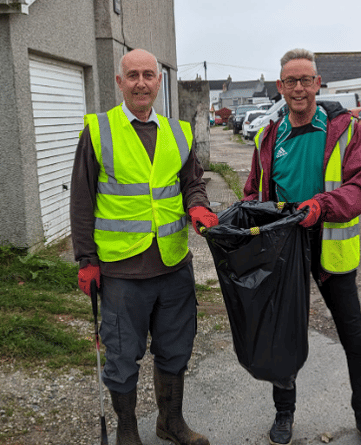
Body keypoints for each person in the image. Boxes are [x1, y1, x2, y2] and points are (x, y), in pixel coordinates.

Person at [70, 48, 218, 445]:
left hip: (173, 266)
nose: (141, 82)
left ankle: (171, 423)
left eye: (148, 75)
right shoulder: (99, 131)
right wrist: (86, 259)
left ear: (158, 82)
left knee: (175, 350)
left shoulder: (177, 131)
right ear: (119, 82)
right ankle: (128, 432)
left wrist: (199, 208)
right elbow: (82, 199)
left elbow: (192, 182)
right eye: (132, 75)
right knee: (121, 358)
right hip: (121, 271)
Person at [243, 48, 361, 445]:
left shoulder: (345, 130)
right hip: (284, 246)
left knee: (353, 336)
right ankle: (284, 414)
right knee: (282, 335)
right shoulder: (267, 136)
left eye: (307, 80)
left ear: (318, 84)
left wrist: (321, 206)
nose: (299, 88)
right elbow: (253, 192)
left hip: (330, 246)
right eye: (291, 81)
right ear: (280, 87)